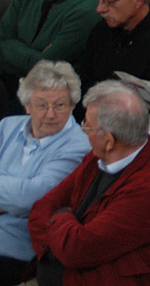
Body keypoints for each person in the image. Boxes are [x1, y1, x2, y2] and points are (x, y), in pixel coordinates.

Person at [27, 81, 150, 286]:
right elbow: (42, 208)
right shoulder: (98, 157)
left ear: (109, 140)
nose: (84, 131)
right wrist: (60, 239)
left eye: (87, 125)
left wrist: (61, 215)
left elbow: (77, 249)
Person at [0, 61, 90, 283]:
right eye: (41, 105)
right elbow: (21, 194)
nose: (50, 114)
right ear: (27, 104)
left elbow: (31, 198)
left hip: (17, 247)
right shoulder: (7, 126)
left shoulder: (79, 145)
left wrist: (14, 198)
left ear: (72, 106)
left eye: (60, 105)